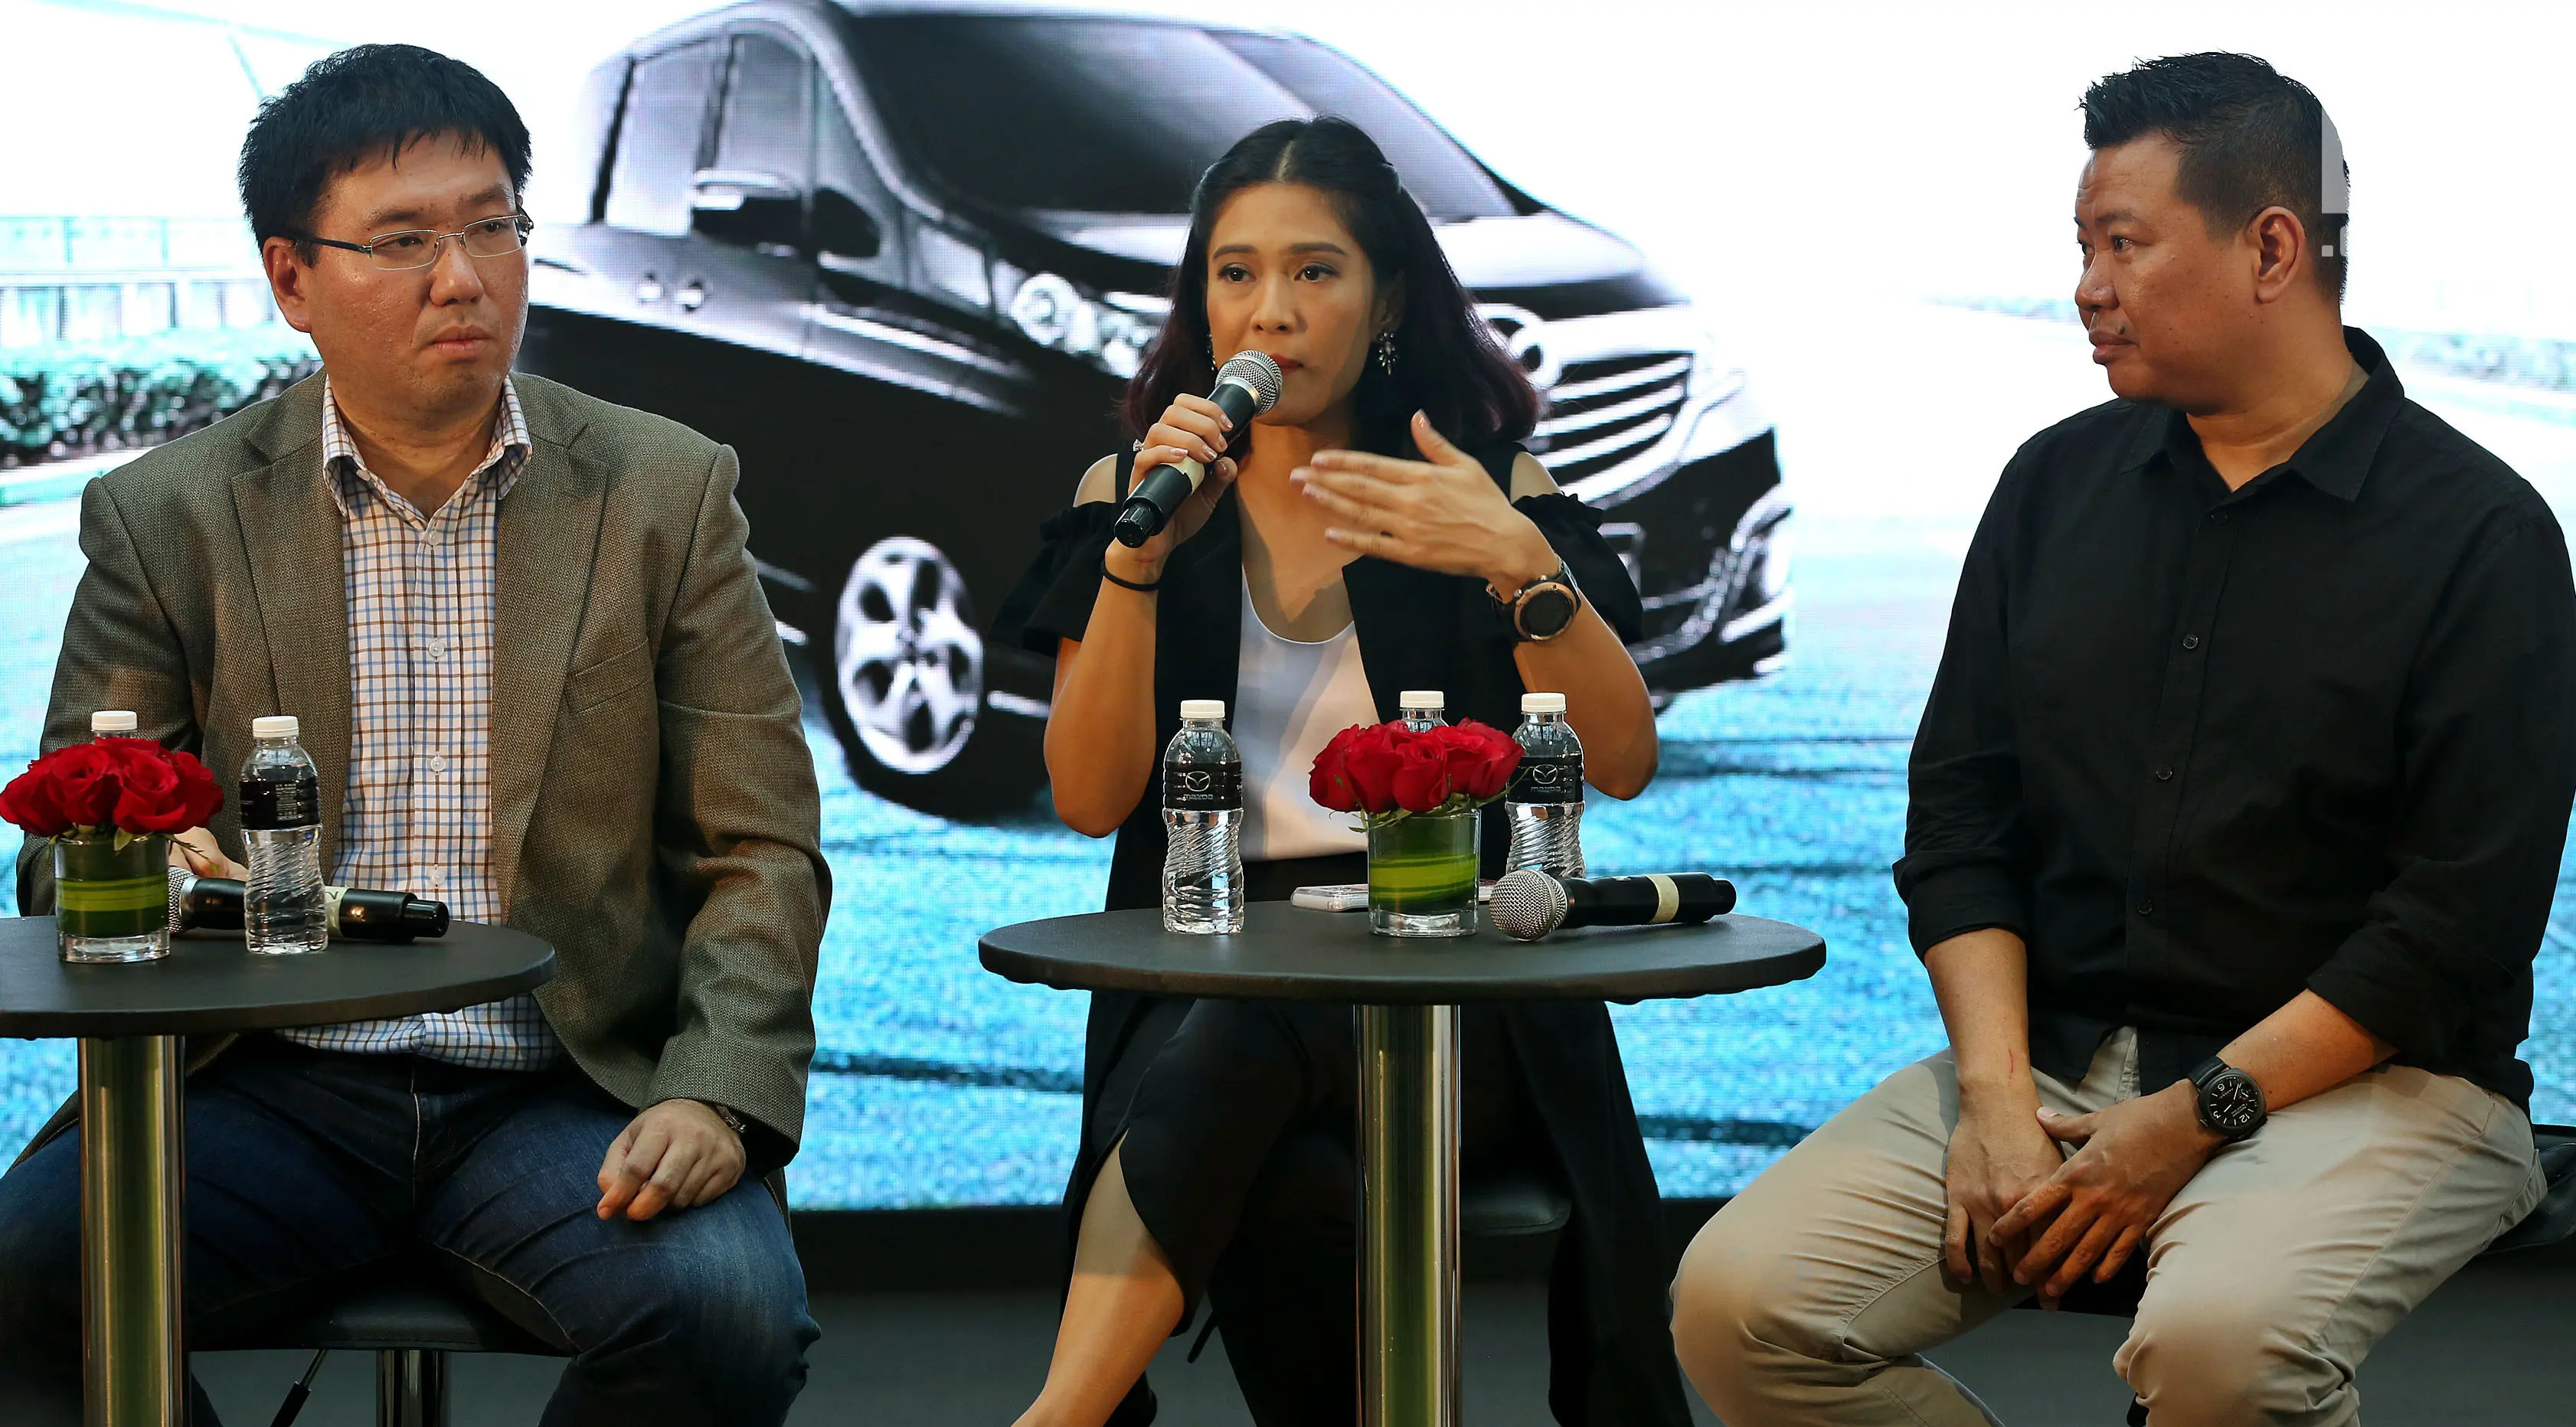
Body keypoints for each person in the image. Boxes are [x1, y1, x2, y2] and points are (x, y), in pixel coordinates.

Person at [1670, 51, 2573, 1426]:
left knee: (2216, 1351)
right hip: (2058, 1056)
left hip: (2378, 1082)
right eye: (2082, 246)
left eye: (2124, 244)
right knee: (1741, 1306)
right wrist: (1989, 1101)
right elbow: (1962, 816)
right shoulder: (2051, 484)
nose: (2088, 285)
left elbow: (2454, 925)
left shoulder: (2484, 535)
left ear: (2274, 248)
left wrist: (2188, 1119)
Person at [0, 46, 828, 1425]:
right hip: (264, 1085)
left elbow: (763, 849)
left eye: (491, 224)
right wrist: (153, 872)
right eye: (402, 241)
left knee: (726, 1316)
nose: (465, 277)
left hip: (564, 1089)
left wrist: (720, 1098)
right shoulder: (173, 515)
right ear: (291, 280)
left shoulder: (664, 492)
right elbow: (58, 854)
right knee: (26, 1284)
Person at [995, 116, 1691, 1427]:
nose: (1274, 312)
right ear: (1200, 302)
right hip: (1202, 977)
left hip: (1458, 990)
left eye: (1316, 273)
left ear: (1386, 300)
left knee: (1268, 1029)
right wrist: (1138, 561)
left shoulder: (1477, 487)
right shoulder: (1134, 490)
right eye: (1236, 273)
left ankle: (1057, 1418)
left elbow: (1625, 759)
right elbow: (1091, 800)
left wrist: (1520, 564)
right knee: (1283, 1177)